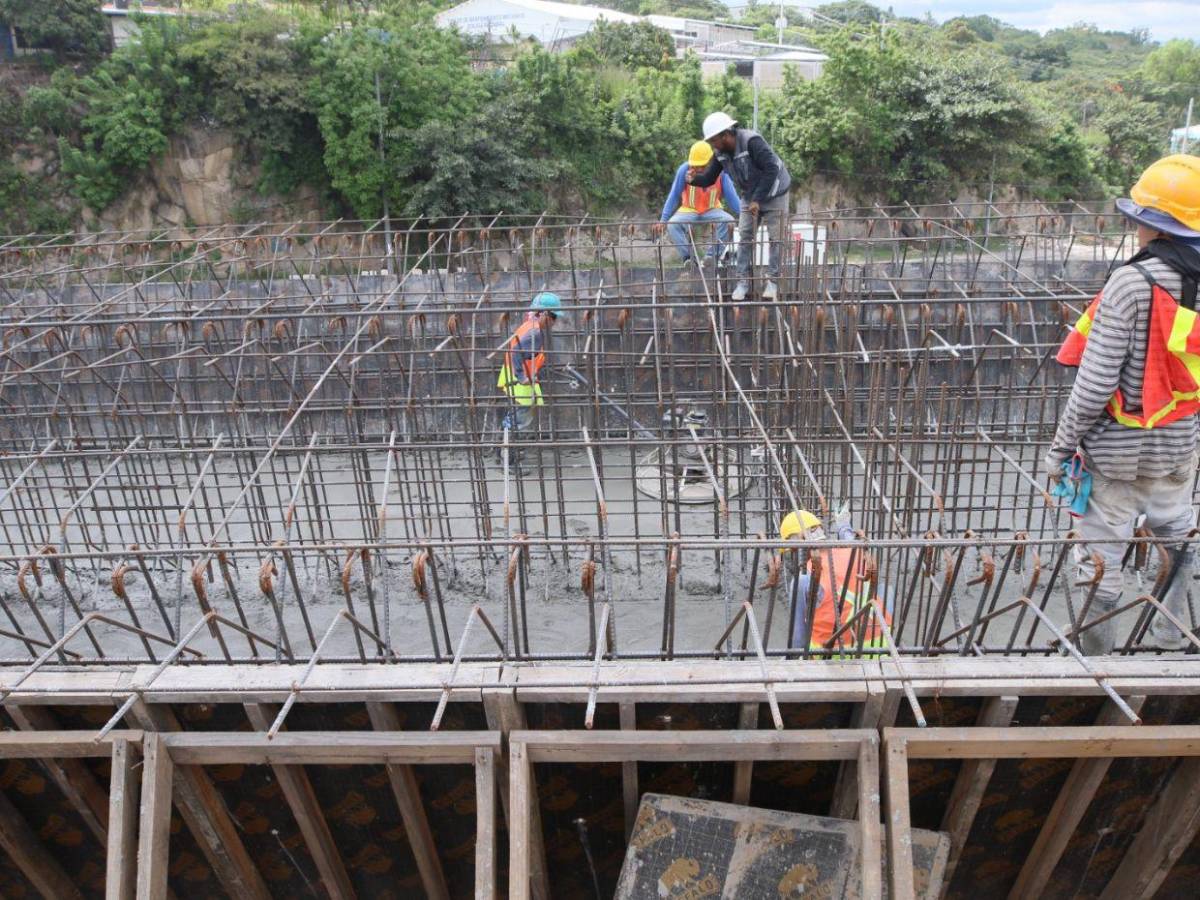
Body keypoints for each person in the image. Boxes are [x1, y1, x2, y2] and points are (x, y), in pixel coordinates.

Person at [1048, 154, 1200, 655]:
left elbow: (1094, 385)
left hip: (1115, 456)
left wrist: (1060, 448)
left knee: (1100, 566)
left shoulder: (1132, 283)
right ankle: (1169, 640)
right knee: (1178, 546)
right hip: (1178, 448)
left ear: (1149, 223)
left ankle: (1096, 662)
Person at [687, 111, 791, 302]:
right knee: (745, 237)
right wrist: (694, 180)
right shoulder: (721, 153)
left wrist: (757, 200)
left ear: (725, 135)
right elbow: (710, 177)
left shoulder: (752, 142)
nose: (712, 145)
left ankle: (773, 282)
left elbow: (771, 168)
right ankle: (742, 283)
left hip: (776, 192)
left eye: (713, 140)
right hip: (750, 195)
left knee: (776, 239)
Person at [779, 506, 893, 655]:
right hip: (879, 646)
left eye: (792, 552)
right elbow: (850, 539)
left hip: (831, 655)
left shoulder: (802, 581)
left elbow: (798, 638)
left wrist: (793, 662)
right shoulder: (856, 552)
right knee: (884, 589)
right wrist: (843, 526)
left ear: (798, 545)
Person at [496, 292, 569, 471]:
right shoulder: (535, 332)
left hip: (516, 376)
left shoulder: (530, 324)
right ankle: (509, 461)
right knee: (519, 421)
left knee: (514, 418)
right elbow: (516, 353)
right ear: (544, 314)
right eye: (553, 317)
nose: (554, 322)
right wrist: (522, 377)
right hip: (520, 380)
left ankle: (504, 453)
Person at [654, 140, 741, 266]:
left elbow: (732, 198)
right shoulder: (684, 170)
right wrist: (664, 219)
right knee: (672, 225)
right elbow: (674, 195)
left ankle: (711, 257)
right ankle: (689, 258)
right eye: (695, 166)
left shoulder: (721, 173)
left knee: (728, 221)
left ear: (710, 162)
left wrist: (747, 215)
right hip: (689, 210)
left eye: (702, 166)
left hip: (712, 210)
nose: (699, 169)